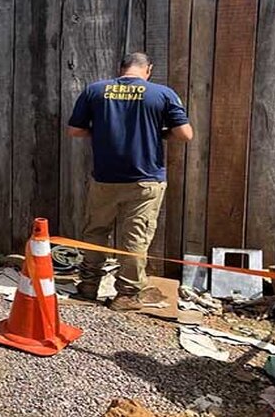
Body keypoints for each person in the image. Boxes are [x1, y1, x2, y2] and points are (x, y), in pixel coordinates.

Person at [67, 52, 193, 311]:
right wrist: (159, 133)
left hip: (105, 178)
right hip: (144, 180)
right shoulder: (162, 94)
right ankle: (126, 295)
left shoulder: (95, 90)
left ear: (121, 68)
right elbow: (185, 134)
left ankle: (88, 287)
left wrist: (101, 131)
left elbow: (75, 130)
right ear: (148, 70)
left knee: (95, 232)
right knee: (134, 239)